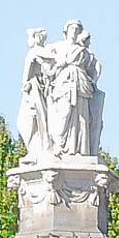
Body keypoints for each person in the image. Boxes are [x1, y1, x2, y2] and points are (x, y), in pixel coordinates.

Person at [46, 20, 95, 156]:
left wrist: (94, 80)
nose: (74, 30)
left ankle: (78, 148)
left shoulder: (84, 51)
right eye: (71, 28)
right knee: (64, 113)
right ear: (65, 32)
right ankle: (60, 145)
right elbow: (45, 61)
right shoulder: (57, 47)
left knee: (80, 115)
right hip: (64, 83)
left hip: (80, 82)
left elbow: (95, 67)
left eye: (77, 28)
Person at [17, 28, 54, 163]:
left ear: (36, 38)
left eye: (30, 37)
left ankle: (36, 151)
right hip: (34, 89)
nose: (28, 41)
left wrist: (26, 83)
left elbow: (28, 72)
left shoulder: (36, 52)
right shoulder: (42, 52)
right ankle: (35, 150)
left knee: (27, 121)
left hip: (33, 90)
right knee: (32, 121)